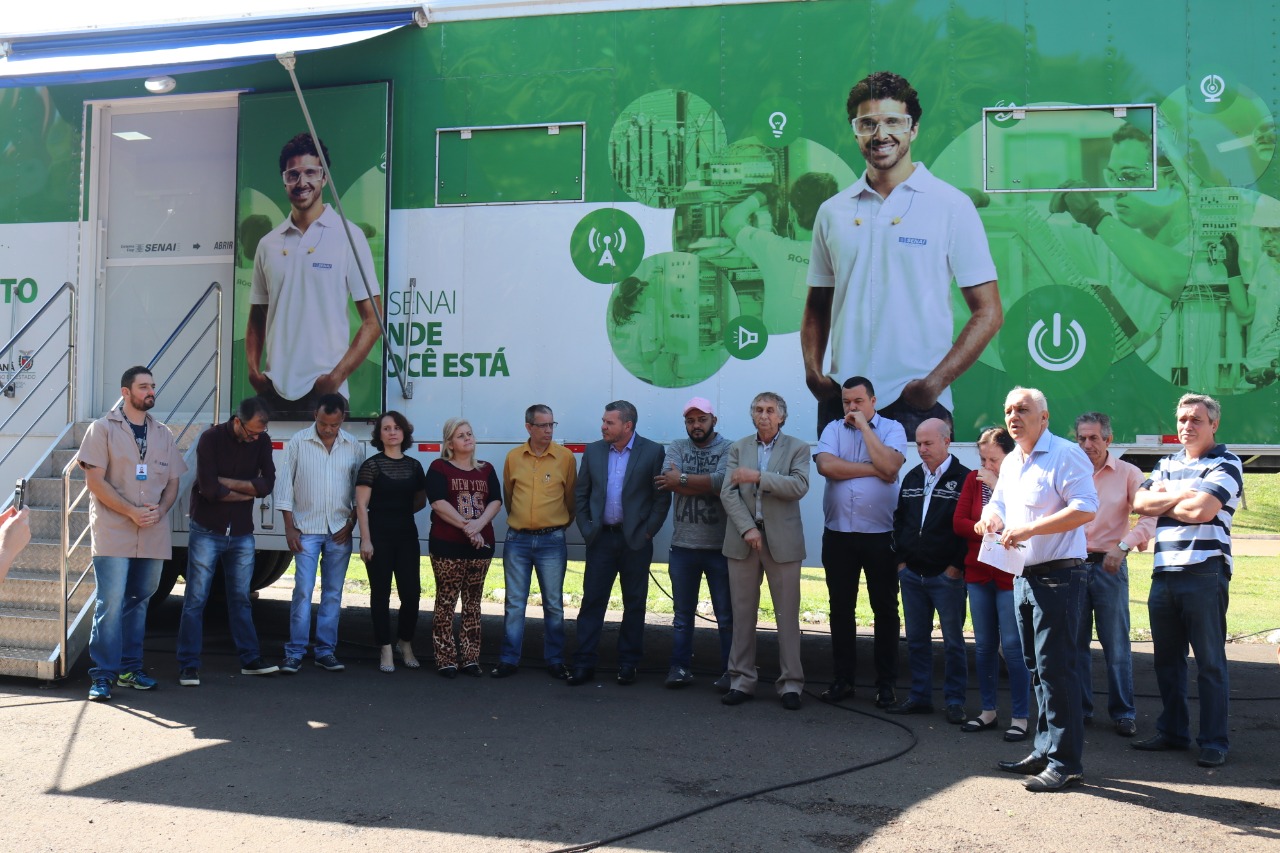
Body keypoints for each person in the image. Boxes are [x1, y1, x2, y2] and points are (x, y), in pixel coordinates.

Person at [802, 70, 1001, 440]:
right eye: (868, 124)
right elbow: (817, 304)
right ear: (855, 131)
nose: (881, 134)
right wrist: (813, 374)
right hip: (843, 399)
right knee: (839, 483)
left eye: (893, 121)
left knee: (918, 484)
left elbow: (988, 312)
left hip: (917, 402)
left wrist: (933, 384)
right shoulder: (832, 212)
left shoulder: (951, 206)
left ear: (914, 129)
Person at [978, 387, 1097, 792]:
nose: (1014, 416)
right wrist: (990, 518)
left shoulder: (1065, 454)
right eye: (1009, 410)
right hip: (1023, 576)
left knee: (1057, 671)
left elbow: (1085, 507)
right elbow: (999, 503)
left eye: (1023, 410)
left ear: (1044, 418)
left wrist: (1029, 529)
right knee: (1036, 669)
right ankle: (1045, 750)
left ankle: (1067, 763)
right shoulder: (1012, 460)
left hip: (1059, 578)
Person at [1132, 394, 1242, 768]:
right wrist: (1184, 494)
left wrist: (1166, 497)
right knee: (1167, 662)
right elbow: (1139, 503)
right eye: (1182, 419)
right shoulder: (1166, 463)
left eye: (1196, 419)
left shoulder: (1227, 462)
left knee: (1209, 663)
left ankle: (1214, 740)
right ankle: (1173, 732)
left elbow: (1203, 510)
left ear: (1214, 424)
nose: (1187, 426)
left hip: (1205, 571)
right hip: (1164, 572)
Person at [246, 132, 382, 420]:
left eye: (311, 172)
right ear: (284, 180)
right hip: (273, 389)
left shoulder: (349, 236)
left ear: (324, 178)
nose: (301, 182)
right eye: (293, 174)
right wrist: (254, 372)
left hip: (325, 390)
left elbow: (374, 320)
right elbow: (257, 314)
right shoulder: (268, 244)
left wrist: (335, 378)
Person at [79, 366, 187, 701]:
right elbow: (94, 482)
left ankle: (130, 669)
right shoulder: (102, 429)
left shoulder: (163, 434)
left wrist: (162, 510)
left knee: (140, 601)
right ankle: (103, 675)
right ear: (125, 392)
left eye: (152, 386)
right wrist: (130, 511)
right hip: (113, 530)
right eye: (143, 387)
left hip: (152, 531)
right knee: (110, 603)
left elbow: (173, 482)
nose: (150, 391)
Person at [813, 376, 906, 707]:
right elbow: (826, 465)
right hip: (838, 534)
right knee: (841, 608)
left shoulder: (892, 429)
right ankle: (843, 680)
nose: (851, 408)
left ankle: (886, 684)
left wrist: (866, 428)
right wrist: (873, 469)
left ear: (873, 402)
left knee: (885, 609)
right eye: (846, 402)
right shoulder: (833, 429)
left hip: (881, 534)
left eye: (858, 402)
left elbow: (891, 465)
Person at [177, 397, 279, 686]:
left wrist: (229, 483)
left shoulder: (262, 440)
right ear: (237, 421)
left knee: (241, 598)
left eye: (260, 433)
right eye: (251, 432)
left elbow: (267, 485)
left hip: (242, 531)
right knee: (196, 599)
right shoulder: (210, 438)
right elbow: (209, 489)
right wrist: (248, 488)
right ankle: (188, 665)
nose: (255, 438)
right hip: (207, 529)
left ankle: (250, 659)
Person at [569, 401, 671, 686]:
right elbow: (581, 494)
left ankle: (628, 663)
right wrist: (587, 529)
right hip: (601, 539)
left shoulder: (652, 451)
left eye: (609, 422)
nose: (603, 426)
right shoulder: (594, 451)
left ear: (627, 425)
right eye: (603, 421)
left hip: (635, 541)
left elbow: (661, 498)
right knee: (592, 602)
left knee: (634, 603)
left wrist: (648, 532)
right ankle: (584, 663)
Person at [720, 392, 811, 711]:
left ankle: (791, 684)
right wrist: (748, 528)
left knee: (787, 616)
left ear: (781, 417)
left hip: (783, 543)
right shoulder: (739, 447)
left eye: (770, 410)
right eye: (758, 409)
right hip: (743, 539)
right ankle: (741, 680)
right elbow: (728, 493)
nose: (764, 415)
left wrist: (759, 476)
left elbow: (799, 486)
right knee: (742, 614)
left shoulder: (798, 447)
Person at [1074, 412, 1156, 737]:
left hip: (1109, 566)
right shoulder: (1070, 472)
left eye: (1094, 438)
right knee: (1075, 645)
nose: (1087, 444)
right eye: (1081, 438)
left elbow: (1150, 516)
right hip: (1072, 567)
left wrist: (1124, 546)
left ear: (1108, 439)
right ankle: (1081, 710)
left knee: (1117, 645)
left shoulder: (1128, 473)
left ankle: (1123, 712)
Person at [275, 393, 366, 674]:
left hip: (339, 529)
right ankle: (295, 652)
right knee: (303, 591)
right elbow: (285, 486)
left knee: (333, 593)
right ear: (315, 415)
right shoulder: (298, 442)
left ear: (342, 420)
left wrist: (351, 523)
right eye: (324, 423)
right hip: (306, 530)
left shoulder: (353, 446)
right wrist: (289, 527)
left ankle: (326, 651)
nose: (328, 429)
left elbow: (359, 492)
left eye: (334, 425)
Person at [888, 418, 970, 723]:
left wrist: (955, 567)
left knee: (953, 642)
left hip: (946, 577)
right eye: (918, 443)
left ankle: (955, 701)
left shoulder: (965, 478)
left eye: (928, 443)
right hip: (912, 574)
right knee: (916, 640)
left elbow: (968, 528)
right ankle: (919, 696)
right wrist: (901, 562)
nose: (922, 449)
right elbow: (899, 520)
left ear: (946, 441)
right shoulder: (912, 476)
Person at [952, 427, 1031, 742]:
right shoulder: (973, 480)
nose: (986, 466)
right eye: (983, 459)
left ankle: (1020, 717)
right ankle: (988, 711)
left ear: (1009, 457)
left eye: (993, 460)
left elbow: (1023, 524)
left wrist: (998, 487)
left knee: (1012, 646)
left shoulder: (1021, 481)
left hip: (1008, 575)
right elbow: (959, 523)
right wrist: (983, 528)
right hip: (978, 573)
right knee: (984, 645)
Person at [653, 396, 733, 689]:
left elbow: (723, 483)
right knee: (682, 616)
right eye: (690, 421)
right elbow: (667, 481)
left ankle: (731, 672)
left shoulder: (728, 448)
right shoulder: (677, 446)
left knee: (726, 616)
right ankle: (680, 668)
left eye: (701, 419)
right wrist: (706, 483)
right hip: (683, 546)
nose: (696, 425)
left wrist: (683, 481)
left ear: (714, 420)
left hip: (720, 548)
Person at [493, 405, 576, 679]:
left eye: (552, 424)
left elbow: (571, 499)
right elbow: (509, 496)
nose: (548, 430)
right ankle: (509, 659)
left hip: (552, 540)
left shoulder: (565, 458)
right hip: (517, 540)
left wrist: (556, 525)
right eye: (542, 425)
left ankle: (555, 660)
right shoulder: (513, 457)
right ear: (528, 427)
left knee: (553, 603)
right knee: (515, 603)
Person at [427, 418, 502, 678]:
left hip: (481, 548)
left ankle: (470, 659)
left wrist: (478, 525)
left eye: (469, 434)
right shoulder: (439, 467)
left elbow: (495, 501)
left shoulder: (487, 469)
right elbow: (438, 503)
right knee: (446, 603)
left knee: (473, 604)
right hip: (447, 548)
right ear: (450, 443)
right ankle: (445, 659)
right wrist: (469, 528)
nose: (468, 438)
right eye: (461, 435)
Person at [721, 173, 839, 335]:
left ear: (792, 211)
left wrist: (762, 195)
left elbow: (730, 221)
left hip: (780, 348)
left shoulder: (773, 248)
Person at [356, 411, 427, 673]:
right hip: (378, 537)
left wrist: (400, 514)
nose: (392, 432)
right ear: (380, 434)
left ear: (404, 432)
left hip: (407, 536)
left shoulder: (414, 466)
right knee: (380, 594)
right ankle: (385, 647)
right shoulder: (371, 466)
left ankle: (405, 643)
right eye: (386, 428)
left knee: (412, 593)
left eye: (397, 427)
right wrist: (365, 540)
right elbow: (361, 506)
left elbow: (420, 501)